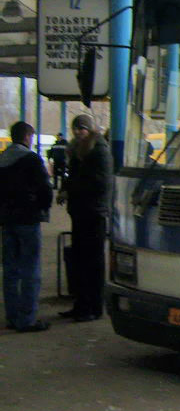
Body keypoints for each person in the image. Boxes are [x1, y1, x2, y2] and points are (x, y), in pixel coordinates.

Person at [58, 113, 113, 323]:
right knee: (81, 260)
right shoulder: (77, 151)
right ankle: (81, 305)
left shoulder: (99, 151)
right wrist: (66, 189)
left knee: (93, 262)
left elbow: (99, 183)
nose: (78, 132)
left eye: (82, 128)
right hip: (81, 212)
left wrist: (71, 190)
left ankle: (94, 307)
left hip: (94, 213)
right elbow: (73, 178)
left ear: (90, 130)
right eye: (75, 128)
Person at [0, 121, 53, 332]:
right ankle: (27, 319)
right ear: (27, 137)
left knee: (10, 270)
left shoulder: (2, 160)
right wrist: (40, 208)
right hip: (28, 220)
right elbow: (45, 189)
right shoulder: (31, 160)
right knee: (31, 270)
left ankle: (12, 316)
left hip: (7, 221)